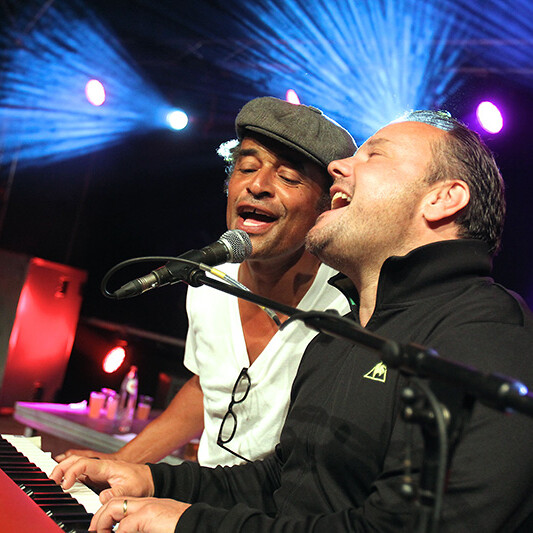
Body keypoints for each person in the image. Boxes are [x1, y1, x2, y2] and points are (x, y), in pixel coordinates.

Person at [51, 110, 533, 532]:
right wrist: (154, 479)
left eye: (374, 156)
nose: (340, 167)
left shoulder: (484, 330)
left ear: (444, 199)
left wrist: (192, 523)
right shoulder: (339, 337)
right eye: (247, 167)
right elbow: (281, 483)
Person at [55, 96, 356, 467]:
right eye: (247, 167)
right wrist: (120, 462)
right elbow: (207, 390)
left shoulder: (350, 302)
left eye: (288, 177)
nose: (257, 185)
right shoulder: (208, 280)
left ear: (328, 205)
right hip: (204, 491)